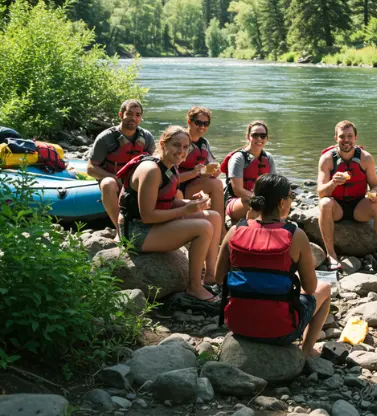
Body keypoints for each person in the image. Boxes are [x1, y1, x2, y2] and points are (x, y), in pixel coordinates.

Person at [215, 174, 331, 356]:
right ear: (282, 203)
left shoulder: (234, 230)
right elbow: (310, 288)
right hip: (280, 331)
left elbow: (219, 277)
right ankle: (307, 350)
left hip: (238, 325)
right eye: (290, 197)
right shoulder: (296, 235)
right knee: (324, 289)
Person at [117, 125, 222, 303]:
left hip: (152, 225)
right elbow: (148, 215)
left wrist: (193, 204)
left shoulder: (170, 165)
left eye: (185, 147)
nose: (181, 151)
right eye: (176, 145)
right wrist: (185, 210)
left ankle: (210, 275)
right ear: (163, 144)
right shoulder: (151, 170)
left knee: (214, 216)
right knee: (203, 227)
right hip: (136, 232)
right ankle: (194, 287)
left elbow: (166, 201)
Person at [317, 120, 377, 272]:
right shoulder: (327, 159)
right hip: (337, 207)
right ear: (336, 138)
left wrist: (374, 192)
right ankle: (331, 255)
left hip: (359, 207)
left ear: (356, 138)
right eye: (342, 136)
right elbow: (321, 192)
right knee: (324, 204)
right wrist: (333, 183)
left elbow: (375, 185)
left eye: (350, 136)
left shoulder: (366, 158)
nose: (346, 140)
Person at [87, 99, 155, 229]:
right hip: (114, 180)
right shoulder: (105, 138)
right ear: (121, 114)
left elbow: (153, 165)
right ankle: (121, 229)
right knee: (108, 184)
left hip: (134, 181)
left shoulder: (147, 137)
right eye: (129, 114)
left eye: (137, 115)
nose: (133, 118)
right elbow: (91, 168)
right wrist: (115, 178)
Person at [178, 107, 226, 240]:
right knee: (215, 184)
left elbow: (211, 164)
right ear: (189, 121)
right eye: (198, 123)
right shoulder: (181, 142)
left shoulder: (204, 143)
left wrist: (214, 171)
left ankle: (220, 229)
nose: (202, 127)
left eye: (206, 124)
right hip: (178, 186)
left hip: (193, 184)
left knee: (216, 182)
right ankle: (218, 231)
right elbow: (168, 173)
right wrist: (196, 173)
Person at [221, 121, 277, 224]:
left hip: (260, 200)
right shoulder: (238, 158)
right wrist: (260, 200)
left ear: (267, 138)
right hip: (236, 201)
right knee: (257, 206)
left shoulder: (268, 158)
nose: (259, 139)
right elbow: (238, 190)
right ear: (248, 137)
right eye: (255, 135)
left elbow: (273, 185)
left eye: (263, 136)